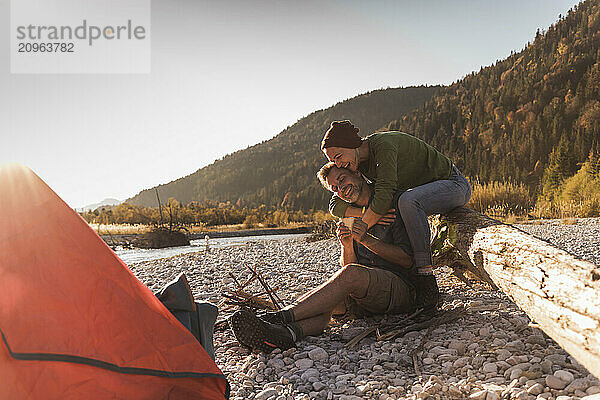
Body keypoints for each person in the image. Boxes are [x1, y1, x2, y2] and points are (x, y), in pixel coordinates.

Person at [229, 163, 435, 353]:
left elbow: (408, 260)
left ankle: (279, 317)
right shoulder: (350, 216)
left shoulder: (394, 204)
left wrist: (365, 240)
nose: (341, 189)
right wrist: (347, 246)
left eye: (343, 179)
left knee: (343, 282)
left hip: (402, 290)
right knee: (325, 302)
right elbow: (349, 271)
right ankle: (286, 334)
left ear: (357, 172)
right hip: (368, 296)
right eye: (335, 188)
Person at [321, 120, 471, 290]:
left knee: (407, 201)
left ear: (351, 145)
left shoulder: (384, 146)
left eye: (338, 157)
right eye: (333, 160)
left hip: (454, 185)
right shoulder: (358, 164)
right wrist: (363, 213)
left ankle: (425, 277)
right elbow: (334, 203)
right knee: (404, 202)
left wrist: (363, 228)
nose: (338, 164)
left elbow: (385, 195)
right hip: (427, 195)